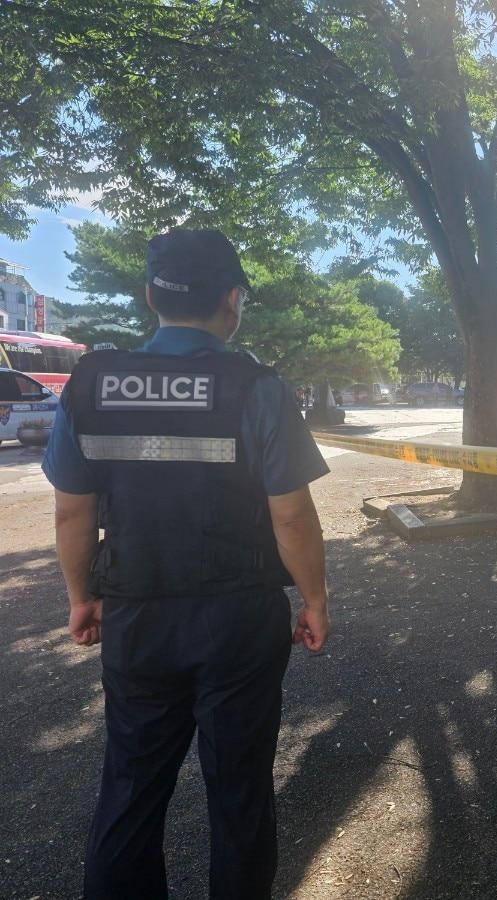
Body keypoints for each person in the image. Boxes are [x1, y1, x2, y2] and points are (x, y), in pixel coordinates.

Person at [42, 228, 333, 899]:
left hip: (138, 613)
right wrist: (315, 600)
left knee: (131, 786)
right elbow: (291, 516)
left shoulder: (91, 384)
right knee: (240, 790)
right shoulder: (257, 387)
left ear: (150, 296)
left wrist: (81, 596)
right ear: (233, 300)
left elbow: (71, 513)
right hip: (240, 620)